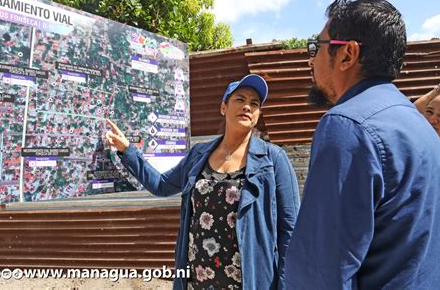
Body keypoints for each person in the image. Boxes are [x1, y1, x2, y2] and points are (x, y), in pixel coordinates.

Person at [284, 0, 440, 289]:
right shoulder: (418, 125)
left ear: (347, 54)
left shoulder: (348, 126)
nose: (310, 59)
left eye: (315, 47)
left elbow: (320, 272)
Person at [106, 74, 300, 289]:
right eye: (240, 99)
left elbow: (290, 230)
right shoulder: (198, 155)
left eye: (254, 104)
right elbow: (161, 185)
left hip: (249, 282)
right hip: (196, 281)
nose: (247, 106)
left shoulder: (273, 160)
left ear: (257, 115)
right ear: (223, 108)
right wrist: (128, 151)